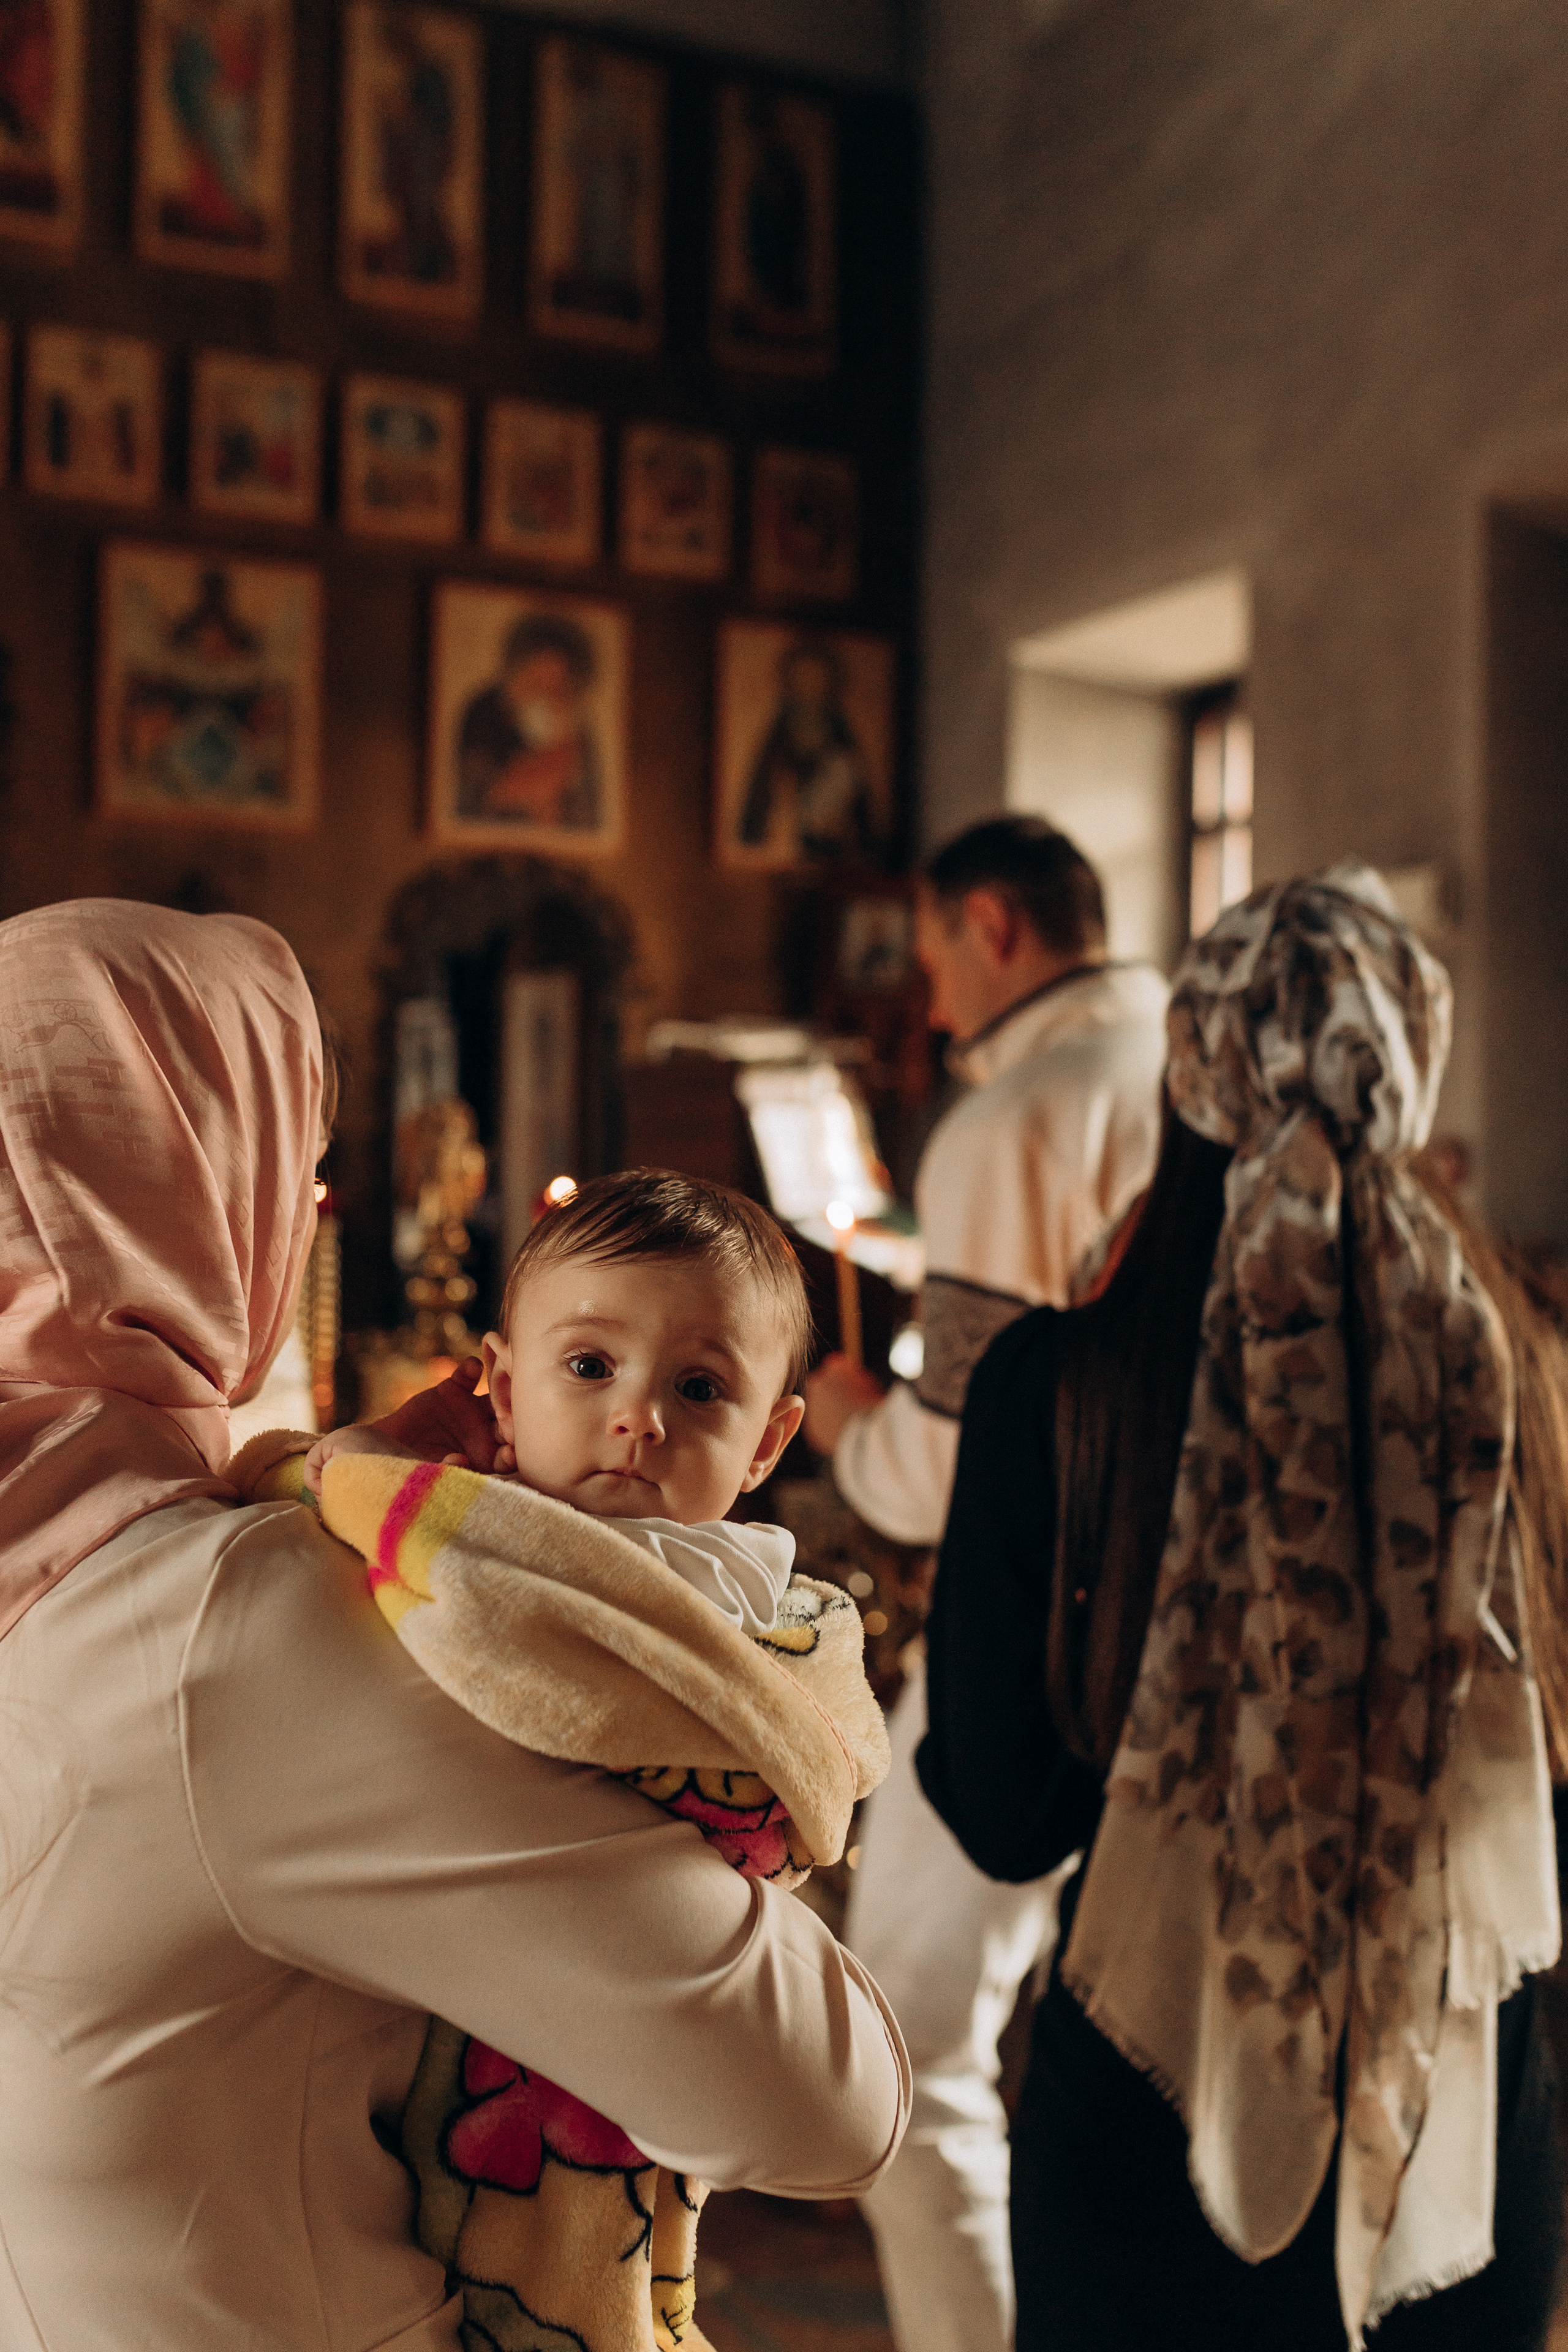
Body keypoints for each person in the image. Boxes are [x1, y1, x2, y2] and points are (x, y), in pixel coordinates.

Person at [0, 902, 910, 2350]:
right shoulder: (236, 1627)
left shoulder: (53, 1534)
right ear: (196, 1184)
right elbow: (818, 2103)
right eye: (292, 1164)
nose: (303, 1212)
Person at [920, 865, 1565, 2352]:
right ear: (1405, 1065)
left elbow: (1005, 1811)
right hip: (1458, 2099)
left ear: (1189, 1072)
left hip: (1149, 2096)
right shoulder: (1527, 1373)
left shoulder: (1055, 1388)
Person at [295, 1168, 890, 2352]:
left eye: (701, 1387)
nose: (640, 1417)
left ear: (772, 1439)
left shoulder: (721, 1586)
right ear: (501, 1387)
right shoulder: (494, 1532)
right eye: (588, 1367)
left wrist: (353, 1467)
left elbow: (777, 1718)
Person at [802, 815, 1169, 2352]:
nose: (931, 995)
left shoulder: (1014, 1112)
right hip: (1195, 1639)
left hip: (1035, 1625)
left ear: (997, 924)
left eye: (938, 949)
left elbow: (952, 1461)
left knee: (895, 2039)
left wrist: (843, 1424)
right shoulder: (1173, 1060)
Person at [457, 613, 601, 829]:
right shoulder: (487, 708)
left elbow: (586, 799)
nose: (548, 679)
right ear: (524, 662)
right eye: (541, 665)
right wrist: (516, 795)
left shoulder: (576, 722)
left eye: (558, 672)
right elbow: (472, 788)